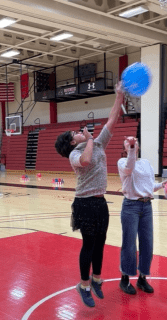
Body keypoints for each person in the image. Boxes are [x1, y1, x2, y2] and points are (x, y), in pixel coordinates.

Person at [54, 82, 124, 308]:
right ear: (72, 142)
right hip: (84, 204)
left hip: (100, 201)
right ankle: (83, 285)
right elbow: (85, 160)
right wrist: (91, 139)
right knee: (89, 244)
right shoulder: (75, 153)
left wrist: (119, 96)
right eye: (74, 133)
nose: (78, 132)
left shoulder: (99, 142)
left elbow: (112, 120)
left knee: (101, 243)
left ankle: (96, 280)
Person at [117, 136, 166, 295]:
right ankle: (125, 278)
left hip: (147, 206)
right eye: (128, 143)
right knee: (129, 245)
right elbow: (129, 168)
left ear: (139, 145)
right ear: (125, 148)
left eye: (135, 141)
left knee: (148, 244)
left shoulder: (146, 163)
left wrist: (162, 185)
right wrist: (131, 150)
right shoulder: (122, 162)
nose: (132, 143)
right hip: (130, 206)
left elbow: (149, 186)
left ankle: (142, 278)